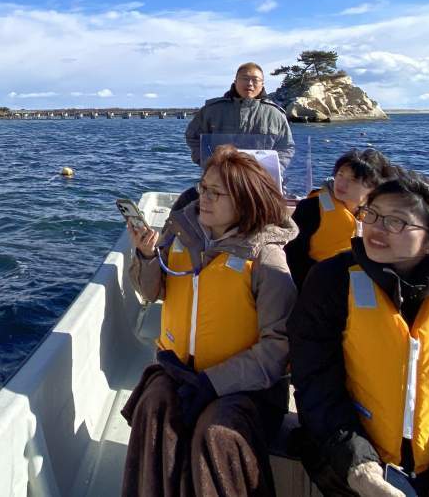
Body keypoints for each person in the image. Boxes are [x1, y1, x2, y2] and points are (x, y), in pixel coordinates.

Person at [288, 170, 429, 497]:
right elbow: (315, 381)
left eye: (396, 222)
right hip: (345, 458)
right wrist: (360, 468)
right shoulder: (331, 281)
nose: (377, 228)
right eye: (372, 215)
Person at [121, 145, 298, 497]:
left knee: (216, 431)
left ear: (245, 201)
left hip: (247, 388)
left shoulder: (267, 260)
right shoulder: (182, 235)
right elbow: (151, 292)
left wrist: (214, 383)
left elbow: (277, 349)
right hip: (179, 370)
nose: (204, 197)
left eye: (217, 192)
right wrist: (145, 255)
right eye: (204, 188)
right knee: (154, 403)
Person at [285, 148, 394, 290]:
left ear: (373, 187)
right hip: (317, 286)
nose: (341, 183)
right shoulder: (311, 208)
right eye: (340, 174)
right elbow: (292, 257)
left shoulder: (378, 216)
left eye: (353, 180)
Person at [184, 62, 295, 171]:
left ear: (262, 84)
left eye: (255, 80)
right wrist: (209, 163)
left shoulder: (275, 114)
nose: (250, 83)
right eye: (245, 78)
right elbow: (192, 137)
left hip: (260, 181)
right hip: (220, 178)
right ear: (235, 81)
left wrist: (272, 170)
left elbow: (286, 147)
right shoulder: (212, 110)